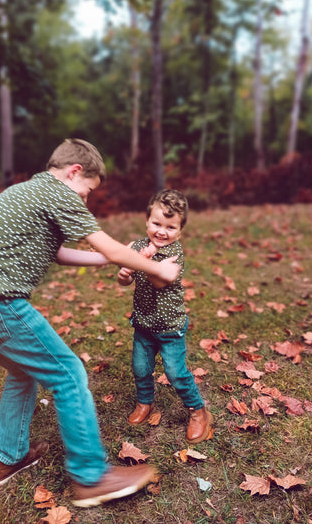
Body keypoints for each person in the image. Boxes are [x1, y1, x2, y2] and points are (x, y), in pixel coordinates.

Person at [0, 139, 182, 508]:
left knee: (23, 371)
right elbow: (110, 245)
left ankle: (9, 458)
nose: (85, 200)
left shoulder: (28, 190)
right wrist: (157, 268)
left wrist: (104, 260)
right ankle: (91, 478)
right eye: (87, 191)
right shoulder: (60, 194)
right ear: (74, 172)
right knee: (69, 374)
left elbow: (56, 252)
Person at [117, 189, 213, 444]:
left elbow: (159, 281)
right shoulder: (137, 247)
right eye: (156, 223)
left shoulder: (175, 254)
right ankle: (144, 402)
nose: (161, 231)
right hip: (144, 324)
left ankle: (198, 411)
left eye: (170, 227)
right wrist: (125, 274)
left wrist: (142, 262)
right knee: (140, 367)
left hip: (170, 328)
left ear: (179, 231)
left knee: (175, 372)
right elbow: (124, 279)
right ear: (147, 221)